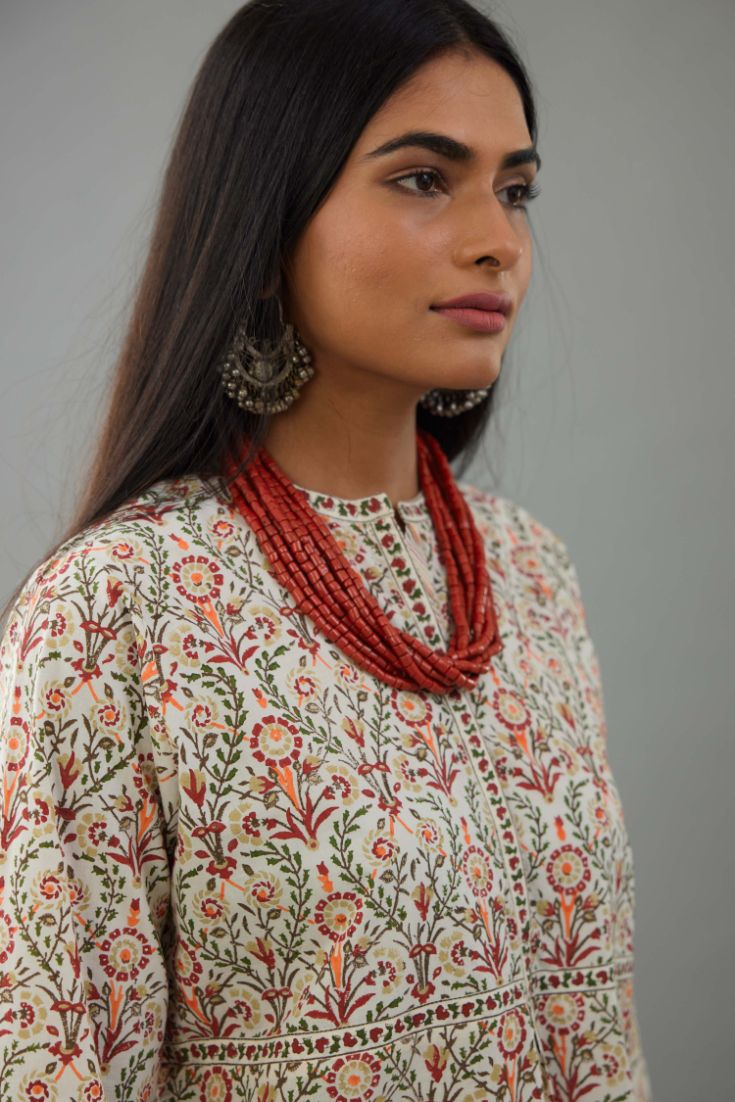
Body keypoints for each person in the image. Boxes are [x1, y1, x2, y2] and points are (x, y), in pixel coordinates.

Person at [0, 1, 651, 1099]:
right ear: (261, 227)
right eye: (422, 178)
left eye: (516, 187)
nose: (499, 237)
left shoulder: (530, 575)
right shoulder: (117, 610)